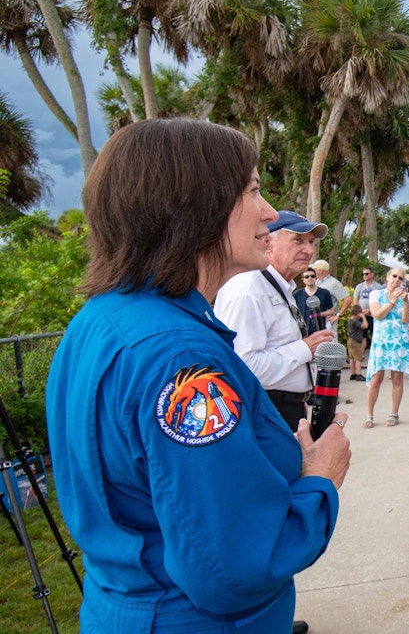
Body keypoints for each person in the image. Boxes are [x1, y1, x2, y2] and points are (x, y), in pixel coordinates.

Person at [46, 118, 350, 633]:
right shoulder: (180, 360)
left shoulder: (103, 320)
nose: (269, 213)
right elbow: (233, 565)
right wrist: (320, 481)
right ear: (196, 206)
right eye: (253, 190)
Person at [215, 210, 335, 430]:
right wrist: (305, 348)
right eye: (298, 240)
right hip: (263, 411)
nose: (308, 250)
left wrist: (299, 396)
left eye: (310, 242)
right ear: (268, 242)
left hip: (284, 408)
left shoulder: (279, 286)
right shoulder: (249, 289)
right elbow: (243, 366)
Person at [364, 267, 409, 428]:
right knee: (376, 378)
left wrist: (405, 300)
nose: (397, 280)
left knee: (396, 378)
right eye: (394, 276)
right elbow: (377, 315)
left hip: (399, 341)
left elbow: (406, 319)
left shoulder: (406, 297)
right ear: (387, 277)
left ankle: (394, 413)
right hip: (381, 341)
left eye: (401, 278)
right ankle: (369, 414)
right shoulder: (376, 294)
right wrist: (392, 301)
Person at [307, 259, 351, 331]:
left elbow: (348, 299)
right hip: (317, 320)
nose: (313, 271)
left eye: (315, 269)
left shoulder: (334, 283)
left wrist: (338, 315)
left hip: (328, 322)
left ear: (320, 270)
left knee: (329, 341)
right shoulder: (317, 281)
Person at [293, 267, 335, 337]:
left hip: (320, 332)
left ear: (316, 278)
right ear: (302, 280)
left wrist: (318, 314)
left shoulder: (325, 293)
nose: (310, 278)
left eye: (312, 276)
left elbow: (331, 311)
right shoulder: (296, 294)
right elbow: (293, 312)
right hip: (301, 333)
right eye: (307, 277)